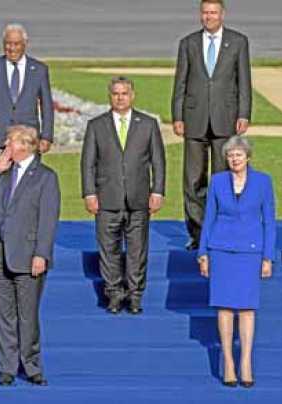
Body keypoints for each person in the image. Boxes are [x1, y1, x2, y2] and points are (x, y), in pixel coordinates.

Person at [0, 125, 60, 386]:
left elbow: (48, 219)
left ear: (24, 145)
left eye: (9, 143)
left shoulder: (45, 177)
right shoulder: (3, 172)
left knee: (28, 314)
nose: (4, 147)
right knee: (3, 314)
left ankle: (31, 366)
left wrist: (41, 254)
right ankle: (7, 367)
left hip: (28, 254)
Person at [81, 77, 166, 315]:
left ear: (132, 95)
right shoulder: (96, 125)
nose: (120, 97)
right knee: (109, 250)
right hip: (106, 199)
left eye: (124, 93)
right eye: (116, 93)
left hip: (139, 199)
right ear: (110, 96)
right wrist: (89, 193)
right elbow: (88, 163)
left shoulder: (148, 124)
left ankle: (135, 295)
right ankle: (114, 294)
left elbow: (158, 161)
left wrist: (157, 190)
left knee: (137, 250)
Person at [172, 0, 252, 250]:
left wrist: (244, 113)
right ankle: (197, 234)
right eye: (205, 12)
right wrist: (177, 116)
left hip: (225, 120)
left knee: (223, 180)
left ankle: (222, 231)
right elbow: (180, 84)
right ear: (200, 15)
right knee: (193, 180)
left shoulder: (238, 42)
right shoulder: (188, 43)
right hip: (194, 120)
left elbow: (244, 82)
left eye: (213, 12)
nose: (209, 17)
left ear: (222, 14)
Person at [197, 136, 275, 388]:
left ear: (248, 157)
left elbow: (270, 222)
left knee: (247, 308)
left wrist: (267, 257)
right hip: (221, 250)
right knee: (225, 307)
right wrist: (203, 253)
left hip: (250, 252)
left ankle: (246, 362)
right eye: (230, 156)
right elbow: (208, 218)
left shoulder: (263, 182)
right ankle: (229, 362)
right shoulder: (218, 182)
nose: (234, 159)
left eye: (238, 155)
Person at [0, 23, 54, 171]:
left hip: (28, 141)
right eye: (8, 44)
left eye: (16, 44)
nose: (12, 48)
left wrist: (47, 136)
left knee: (27, 189)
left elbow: (47, 106)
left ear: (25, 44)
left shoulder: (39, 70)